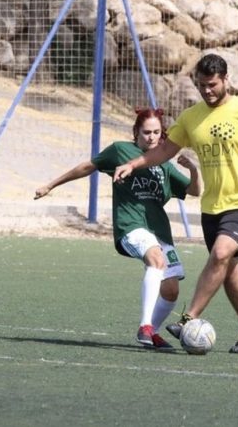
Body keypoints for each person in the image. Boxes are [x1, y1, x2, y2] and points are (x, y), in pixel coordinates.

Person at [114, 53, 238, 354]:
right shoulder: (191, 117)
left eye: (212, 84)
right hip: (211, 207)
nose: (207, 91)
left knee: (221, 253)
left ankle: (189, 317)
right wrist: (134, 164)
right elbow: (163, 152)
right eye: (202, 86)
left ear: (227, 80)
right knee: (228, 269)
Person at [35, 107, 200, 349]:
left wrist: (194, 169)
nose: (152, 137)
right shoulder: (121, 151)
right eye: (146, 132)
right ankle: (145, 326)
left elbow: (195, 191)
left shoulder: (163, 164)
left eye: (156, 132)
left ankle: (150, 331)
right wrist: (51, 185)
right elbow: (87, 166)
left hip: (160, 231)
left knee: (172, 289)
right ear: (136, 132)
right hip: (131, 225)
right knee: (155, 258)